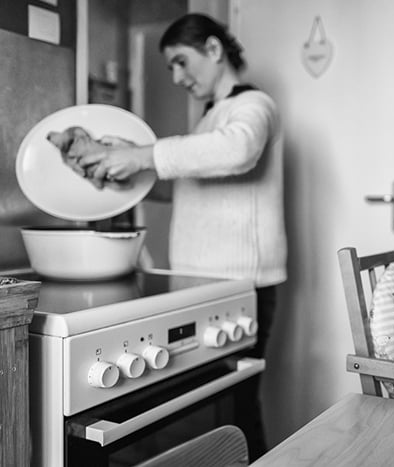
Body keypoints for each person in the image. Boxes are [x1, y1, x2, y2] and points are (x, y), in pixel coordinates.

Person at [70, 13, 286, 460]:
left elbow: (238, 150)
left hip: (242, 282)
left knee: (236, 403)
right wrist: (125, 173)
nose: (176, 77)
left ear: (213, 49)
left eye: (181, 62)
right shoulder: (209, 119)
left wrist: (140, 155)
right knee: (202, 401)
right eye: (170, 68)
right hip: (202, 282)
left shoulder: (254, 105)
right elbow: (190, 181)